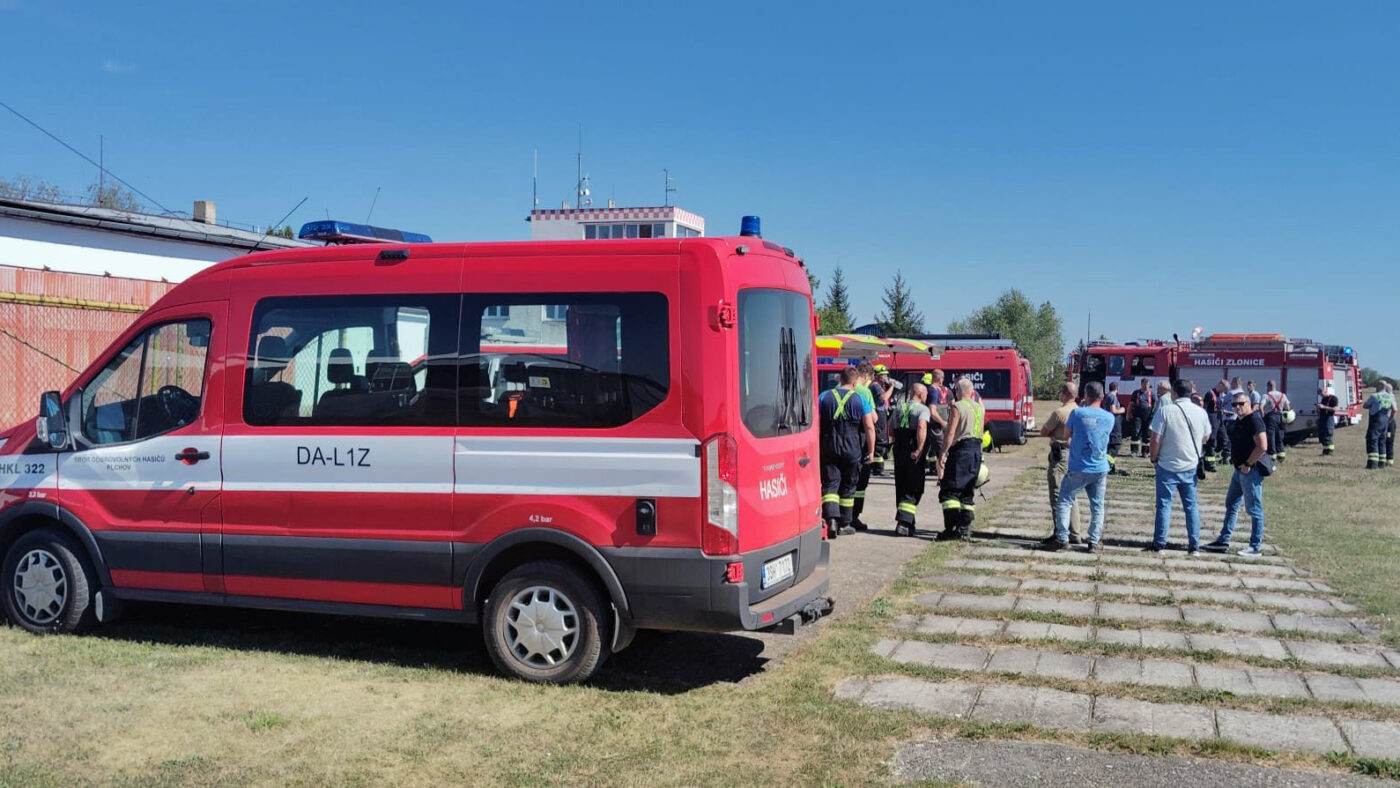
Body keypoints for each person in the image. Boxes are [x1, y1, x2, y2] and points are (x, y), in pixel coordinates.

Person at [1044, 381, 1113, 552]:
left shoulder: (1077, 413)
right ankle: (1094, 541)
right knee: (1097, 506)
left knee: (1064, 500)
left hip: (1079, 467)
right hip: (1100, 467)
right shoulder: (1109, 417)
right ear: (1102, 397)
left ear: (1086, 396)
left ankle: (1062, 538)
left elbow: (1067, 436)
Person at [1148, 379, 1211, 554]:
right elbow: (1206, 437)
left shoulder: (1165, 411)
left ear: (1174, 393)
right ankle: (1194, 545)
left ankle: (1160, 543)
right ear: (1191, 393)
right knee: (1191, 506)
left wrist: (1154, 458)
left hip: (1167, 465)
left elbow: (1156, 438)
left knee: (1164, 505)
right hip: (1190, 466)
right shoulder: (1201, 412)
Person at [1203, 390, 1269, 556]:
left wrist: (1248, 464)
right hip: (1238, 471)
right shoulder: (1239, 420)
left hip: (1250, 471)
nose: (1237, 407)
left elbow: (1262, 446)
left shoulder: (1254, 420)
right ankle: (1223, 540)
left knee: (1254, 509)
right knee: (1231, 504)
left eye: (1241, 404)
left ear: (1249, 404)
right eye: (1234, 404)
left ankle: (1255, 546)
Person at [818, 365, 874, 539]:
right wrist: (871, 451)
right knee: (849, 485)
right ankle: (846, 523)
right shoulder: (860, 399)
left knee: (830, 483)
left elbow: (816, 424)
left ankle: (831, 520)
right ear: (855, 382)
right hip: (852, 446)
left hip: (829, 445)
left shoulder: (824, 396)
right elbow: (870, 426)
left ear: (840, 379)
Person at [935, 378, 984, 541]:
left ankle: (951, 529)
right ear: (972, 392)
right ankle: (965, 528)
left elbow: (950, 432)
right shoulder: (979, 407)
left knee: (950, 490)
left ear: (957, 391)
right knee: (967, 492)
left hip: (961, 451)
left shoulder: (957, 406)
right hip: (976, 450)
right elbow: (981, 431)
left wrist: (943, 453)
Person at [1041, 382, 1084, 544]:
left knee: (1057, 493)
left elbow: (1044, 431)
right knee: (1071, 495)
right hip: (1075, 454)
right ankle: (1075, 533)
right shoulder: (1080, 411)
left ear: (1064, 394)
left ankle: (1060, 531)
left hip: (1060, 455)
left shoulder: (1059, 412)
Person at [891, 383, 931, 536]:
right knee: (914, 486)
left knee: (901, 485)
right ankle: (904, 522)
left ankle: (908, 523)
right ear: (920, 394)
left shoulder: (898, 408)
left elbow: (891, 428)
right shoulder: (923, 409)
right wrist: (920, 449)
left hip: (899, 449)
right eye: (926, 394)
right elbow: (921, 427)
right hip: (912, 448)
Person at [850, 362, 880, 529]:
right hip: (860, 440)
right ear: (867, 375)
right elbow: (873, 419)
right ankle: (854, 516)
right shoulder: (864, 391)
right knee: (860, 483)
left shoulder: (840, 388)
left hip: (843, 440)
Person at [923, 370, 949, 476]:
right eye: (943, 378)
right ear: (940, 378)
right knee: (941, 452)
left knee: (929, 451)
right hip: (935, 427)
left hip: (929, 425)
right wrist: (943, 423)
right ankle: (941, 477)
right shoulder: (933, 391)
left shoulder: (930, 390)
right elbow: (932, 411)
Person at [1363, 382, 1394, 470]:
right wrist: (1390, 419)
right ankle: (1382, 463)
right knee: (1382, 441)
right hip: (1385, 421)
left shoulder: (1375, 396)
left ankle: (1372, 464)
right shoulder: (1391, 396)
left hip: (1376, 420)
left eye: (1377, 385)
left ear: (1380, 386)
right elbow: (1395, 409)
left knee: (1373, 440)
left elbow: (1365, 406)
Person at [869, 365, 893, 476]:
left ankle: (876, 467)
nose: (886, 377)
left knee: (881, 437)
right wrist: (892, 387)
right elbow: (884, 397)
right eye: (884, 375)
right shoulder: (876, 385)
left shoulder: (879, 385)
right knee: (880, 439)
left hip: (881, 412)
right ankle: (878, 469)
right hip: (879, 413)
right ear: (877, 375)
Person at [1261, 380, 1291, 462]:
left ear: (1269, 386)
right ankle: (1281, 454)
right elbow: (1288, 408)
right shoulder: (1282, 395)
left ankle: (1272, 455)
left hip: (1270, 417)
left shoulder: (1266, 395)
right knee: (1279, 435)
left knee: (1271, 436)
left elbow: (1261, 406)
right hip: (1280, 417)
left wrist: (1263, 415)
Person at [1103, 381, 1128, 475]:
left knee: (1110, 446)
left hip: (1110, 423)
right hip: (1114, 424)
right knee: (1115, 445)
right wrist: (1122, 410)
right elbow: (1113, 410)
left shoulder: (1107, 396)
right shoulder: (1112, 397)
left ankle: (1110, 466)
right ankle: (1108, 465)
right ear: (1117, 389)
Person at [1129, 378, 1155, 458]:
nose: (1146, 386)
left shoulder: (1151, 394)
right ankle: (1134, 451)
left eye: (1148, 385)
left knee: (1146, 434)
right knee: (1136, 432)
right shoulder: (1136, 393)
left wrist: (1153, 415)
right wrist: (1128, 413)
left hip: (1148, 415)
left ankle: (1145, 452)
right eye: (1145, 384)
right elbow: (1131, 404)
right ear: (1141, 384)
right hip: (1138, 414)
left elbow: (1155, 404)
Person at [1213, 380, 1235, 466]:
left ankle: (1225, 457)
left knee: (1224, 439)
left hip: (1221, 420)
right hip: (1216, 420)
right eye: (1224, 389)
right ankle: (1213, 458)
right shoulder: (1211, 394)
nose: (1224, 391)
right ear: (1220, 385)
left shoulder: (1219, 394)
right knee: (1214, 439)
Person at [1316, 383, 1338, 456]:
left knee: (1328, 434)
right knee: (1322, 435)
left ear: (1325, 391)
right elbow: (1322, 409)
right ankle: (1325, 451)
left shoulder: (1333, 398)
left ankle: (1330, 452)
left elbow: (1335, 409)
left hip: (1329, 418)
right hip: (1322, 418)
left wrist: (1324, 407)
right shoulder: (1323, 399)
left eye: (1321, 393)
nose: (1321, 395)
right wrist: (1319, 408)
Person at [1386, 382, 1397, 468]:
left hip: (1389, 422)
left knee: (1388, 441)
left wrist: (1389, 420)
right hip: (1386, 421)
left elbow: (1394, 410)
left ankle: (1389, 460)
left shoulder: (1390, 397)